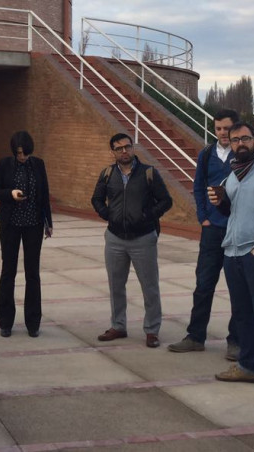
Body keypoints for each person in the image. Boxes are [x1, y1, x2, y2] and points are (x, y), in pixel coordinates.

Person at [168, 108, 239, 357]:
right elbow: (198, 187)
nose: (222, 133)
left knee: (237, 288)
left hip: (236, 232)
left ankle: (236, 341)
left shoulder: (244, 154)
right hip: (212, 231)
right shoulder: (207, 154)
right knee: (203, 284)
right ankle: (196, 336)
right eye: (218, 128)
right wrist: (203, 217)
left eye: (227, 128)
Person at [91, 133, 172, 348]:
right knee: (116, 285)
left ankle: (152, 330)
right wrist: (108, 215)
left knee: (150, 287)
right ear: (113, 152)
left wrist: (146, 217)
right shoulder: (107, 174)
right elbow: (96, 199)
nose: (124, 151)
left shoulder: (148, 173)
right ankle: (118, 326)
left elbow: (166, 201)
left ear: (133, 148)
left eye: (127, 147)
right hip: (115, 239)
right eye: (119, 148)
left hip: (143, 238)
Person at [210, 122, 254, 385]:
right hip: (232, 252)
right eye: (234, 140)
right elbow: (233, 212)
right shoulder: (233, 174)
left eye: (245, 138)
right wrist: (222, 202)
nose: (239, 144)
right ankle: (247, 366)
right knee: (242, 313)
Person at [0, 130, 53, 338]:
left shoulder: (38, 164)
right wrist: (10, 194)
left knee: (32, 273)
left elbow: (44, 194)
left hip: (33, 224)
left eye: (25, 153)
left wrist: (48, 222)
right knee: (8, 271)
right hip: (11, 223)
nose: (23, 157)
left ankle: (33, 322)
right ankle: (6, 321)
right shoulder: (4, 165)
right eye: (19, 153)